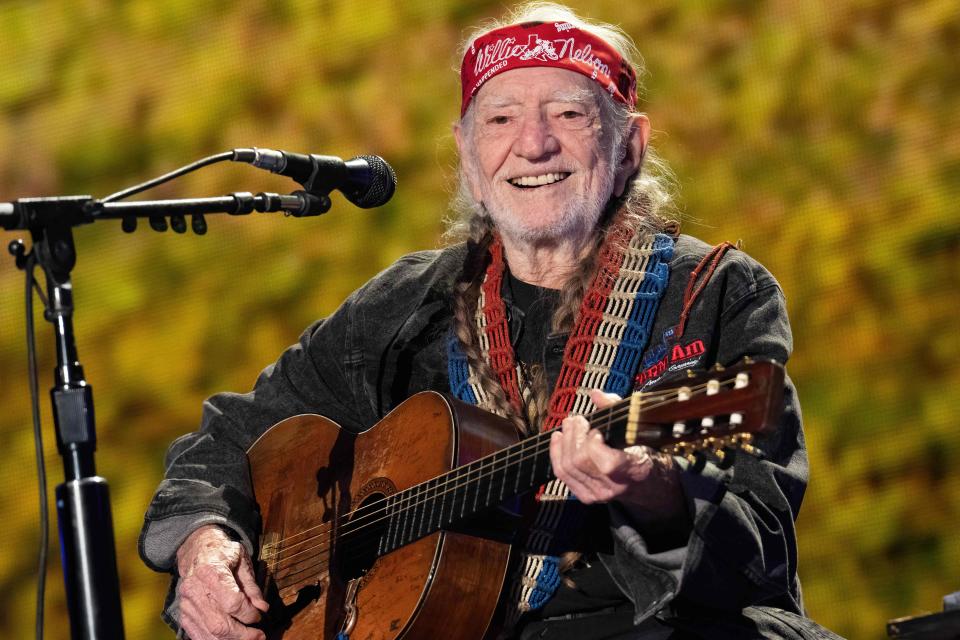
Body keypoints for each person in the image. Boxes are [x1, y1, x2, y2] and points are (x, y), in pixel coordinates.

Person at [139, 3, 840, 639]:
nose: (532, 145)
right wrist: (205, 544)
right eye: (500, 119)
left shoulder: (714, 291)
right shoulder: (404, 305)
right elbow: (224, 442)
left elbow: (763, 548)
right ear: (470, 159)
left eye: (569, 114)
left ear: (628, 146)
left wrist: (653, 495)